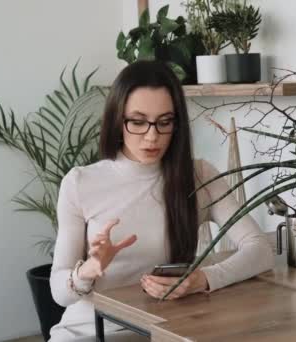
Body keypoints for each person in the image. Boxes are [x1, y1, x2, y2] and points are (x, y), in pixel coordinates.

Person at [48, 60, 274, 341]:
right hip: (89, 332)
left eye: (164, 122)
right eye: (138, 122)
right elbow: (59, 291)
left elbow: (261, 250)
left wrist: (202, 280)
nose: (152, 136)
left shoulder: (199, 175)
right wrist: (88, 270)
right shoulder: (81, 182)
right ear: (118, 120)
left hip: (164, 331)